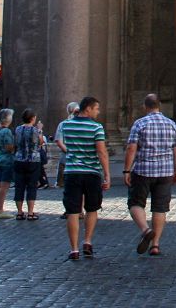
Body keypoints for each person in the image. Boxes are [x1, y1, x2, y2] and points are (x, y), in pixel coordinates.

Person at [124, 93, 176, 257]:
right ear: (160, 105)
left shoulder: (140, 123)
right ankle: (155, 245)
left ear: (145, 106)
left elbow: (131, 148)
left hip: (143, 170)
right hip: (165, 172)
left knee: (136, 203)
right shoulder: (171, 124)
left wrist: (127, 170)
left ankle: (145, 230)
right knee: (160, 208)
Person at [57, 97, 111, 261]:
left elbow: (64, 143)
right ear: (88, 109)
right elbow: (101, 152)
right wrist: (107, 174)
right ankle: (87, 241)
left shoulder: (66, 125)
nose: (98, 112)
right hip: (92, 172)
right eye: (96, 109)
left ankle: (74, 249)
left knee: (73, 211)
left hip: (72, 171)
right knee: (92, 208)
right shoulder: (96, 127)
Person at [12, 109, 44, 220]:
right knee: (31, 186)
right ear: (32, 118)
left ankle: (20, 212)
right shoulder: (35, 130)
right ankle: (30, 213)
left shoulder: (18, 129)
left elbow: (16, 142)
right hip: (33, 160)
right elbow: (40, 142)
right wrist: (40, 130)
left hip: (19, 159)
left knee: (19, 186)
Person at [0, 109, 16, 217]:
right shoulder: (6, 131)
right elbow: (9, 147)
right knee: (4, 186)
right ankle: (0, 210)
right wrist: (14, 147)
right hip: (6, 160)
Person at [54, 101, 80, 187]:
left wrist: (68, 151)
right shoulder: (64, 124)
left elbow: (59, 141)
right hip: (75, 157)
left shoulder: (62, 124)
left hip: (66, 156)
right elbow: (59, 142)